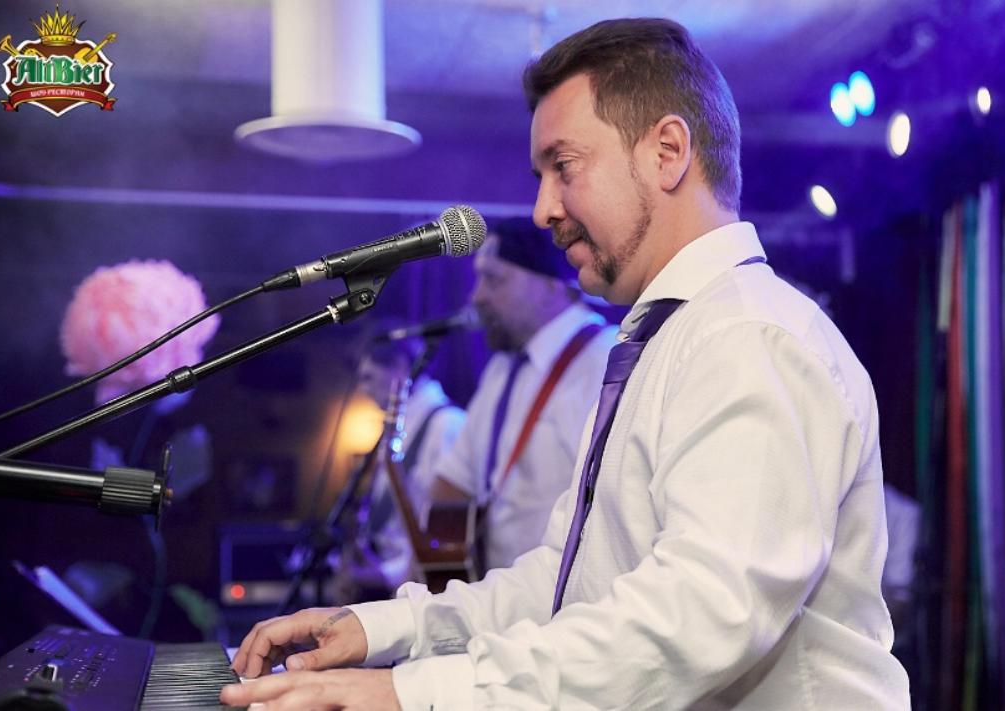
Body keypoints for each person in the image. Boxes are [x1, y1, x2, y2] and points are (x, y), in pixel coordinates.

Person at [222, 18, 911, 710]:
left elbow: (700, 616)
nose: (543, 208)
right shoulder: (668, 337)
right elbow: (564, 580)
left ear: (668, 152)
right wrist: (380, 628)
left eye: (564, 166)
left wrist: (410, 692)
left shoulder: (750, 336)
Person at [428, 216, 617, 573]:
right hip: (500, 597)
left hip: (568, 601)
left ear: (552, 284)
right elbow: (455, 481)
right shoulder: (502, 368)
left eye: (494, 280)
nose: (477, 296)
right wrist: (427, 564)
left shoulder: (605, 364)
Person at [332, 335, 466, 602]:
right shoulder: (398, 427)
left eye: (369, 377)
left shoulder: (446, 424)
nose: (363, 390)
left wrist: (387, 574)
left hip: (424, 590)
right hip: (393, 587)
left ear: (401, 368)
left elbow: (446, 528)